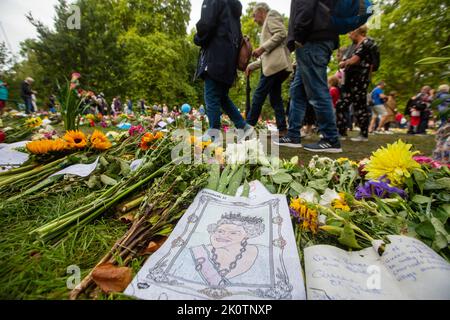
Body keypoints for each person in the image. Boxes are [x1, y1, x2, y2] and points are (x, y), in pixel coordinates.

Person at [278, 0, 341, 152]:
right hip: (317, 36)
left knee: (317, 90)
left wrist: (298, 36)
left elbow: (305, 6)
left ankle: (331, 138)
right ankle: (293, 134)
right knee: (297, 91)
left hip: (311, 39)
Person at [194, 0, 253, 141]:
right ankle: (244, 127)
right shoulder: (234, 7)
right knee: (222, 97)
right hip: (229, 58)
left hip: (215, 55)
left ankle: (213, 132)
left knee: (211, 95)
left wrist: (198, 38)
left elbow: (206, 24)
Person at [245, 3, 293, 137]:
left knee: (258, 96)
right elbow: (267, 58)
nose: (254, 20)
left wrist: (261, 48)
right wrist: (251, 66)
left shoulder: (271, 15)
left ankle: (247, 129)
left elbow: (282, 33)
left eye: (255, 16)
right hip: (276, 66)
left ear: (261, 11)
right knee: (275, 98)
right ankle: (283, 129)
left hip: (275, 67)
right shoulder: (267, 26)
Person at [336, 26, 374, 142]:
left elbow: (355, 60)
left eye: (349, 32)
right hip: (349, 81)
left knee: (360, 107)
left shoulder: (367, 43)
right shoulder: (352, 46)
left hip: (360, 81)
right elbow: (344, 60)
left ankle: (363, 134)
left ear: (356, 32)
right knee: (341, 105)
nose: (348, 35)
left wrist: (345, 63)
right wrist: (343, 61)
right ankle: (341, 132)